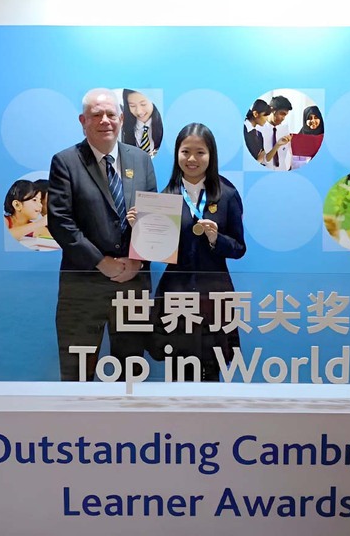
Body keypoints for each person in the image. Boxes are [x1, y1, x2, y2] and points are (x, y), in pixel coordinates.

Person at [48, 88, 157, 381]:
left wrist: (138, 260)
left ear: (121, 119)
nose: (105, 121)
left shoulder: (141, 160)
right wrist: (101, 262)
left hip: (133, 284)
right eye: (96, 115)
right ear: (83, 120)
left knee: (131, 375)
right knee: (76, 374)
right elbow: (60, 223)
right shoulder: (66, 162)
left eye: (111, 114)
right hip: (83, 287)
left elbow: (154, 219)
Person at [127, 123, 246, 381]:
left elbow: (239, 248)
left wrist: (216, 239)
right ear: (177, 154)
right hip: (176, 293)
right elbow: (151, 251)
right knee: (177, 371)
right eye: (185, 152)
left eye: (200, 152)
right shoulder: (164, 198)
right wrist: (139, 228)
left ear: (211, 155)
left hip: (214, 295)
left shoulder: (226, 194)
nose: (192, 159)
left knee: (211, 372)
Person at [120, 89, 163, 157]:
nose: (139, 111)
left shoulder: (164, 124)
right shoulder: (122, 128)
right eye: (132, 106)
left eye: (143, 104)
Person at [259, 95, 293, 171]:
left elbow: (287, 153)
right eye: (282, 114)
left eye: (285, 115)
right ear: (272, 110)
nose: (283, 118)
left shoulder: (285, 129)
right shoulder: (259, 129)